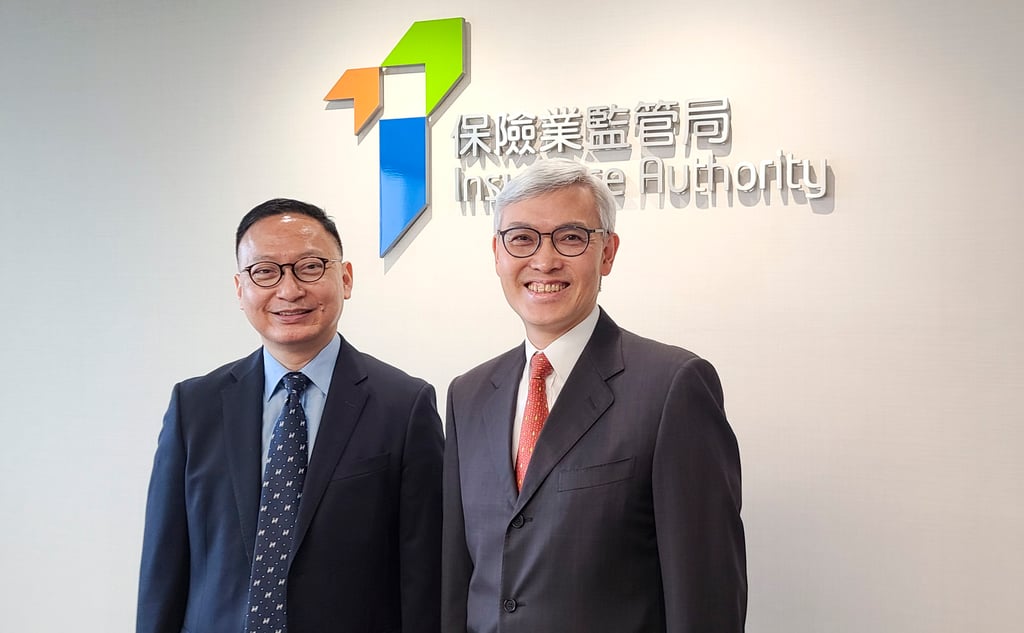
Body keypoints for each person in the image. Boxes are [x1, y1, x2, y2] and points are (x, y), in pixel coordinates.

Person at [441, 159, 747, 633]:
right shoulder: (468, 395)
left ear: (607, 253)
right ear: (497, 254)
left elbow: (706, 594)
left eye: (570, 237)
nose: (544, 260)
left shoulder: (672, 386)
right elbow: (457, 581)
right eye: (521, 238)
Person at [138, 198, 443, 633]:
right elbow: (163, 568)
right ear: (240, 289)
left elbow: (423, 576)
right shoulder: (194, 407)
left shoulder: (405, 406)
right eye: (265, 272)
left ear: (346, 278)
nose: (289, 290)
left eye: (310, 267)